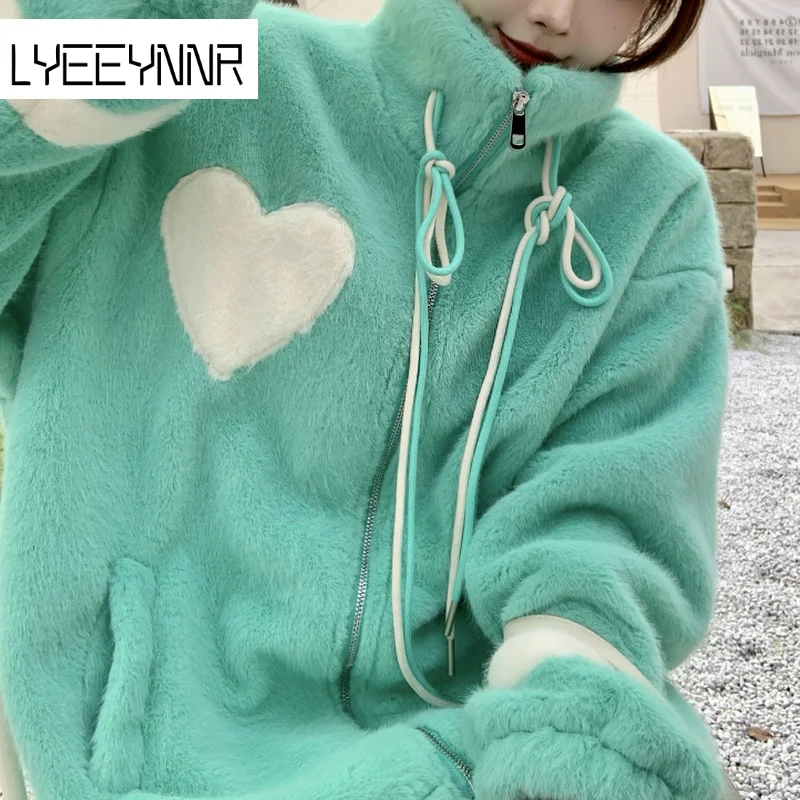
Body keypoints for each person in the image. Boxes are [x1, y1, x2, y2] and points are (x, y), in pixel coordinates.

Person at [0, 0, 731, 798]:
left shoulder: (649, 201)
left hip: (452, 744)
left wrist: (567, 705)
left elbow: (607, 505)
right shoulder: (227, 59)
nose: (553, 13)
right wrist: (113, 35)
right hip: (133, 732)